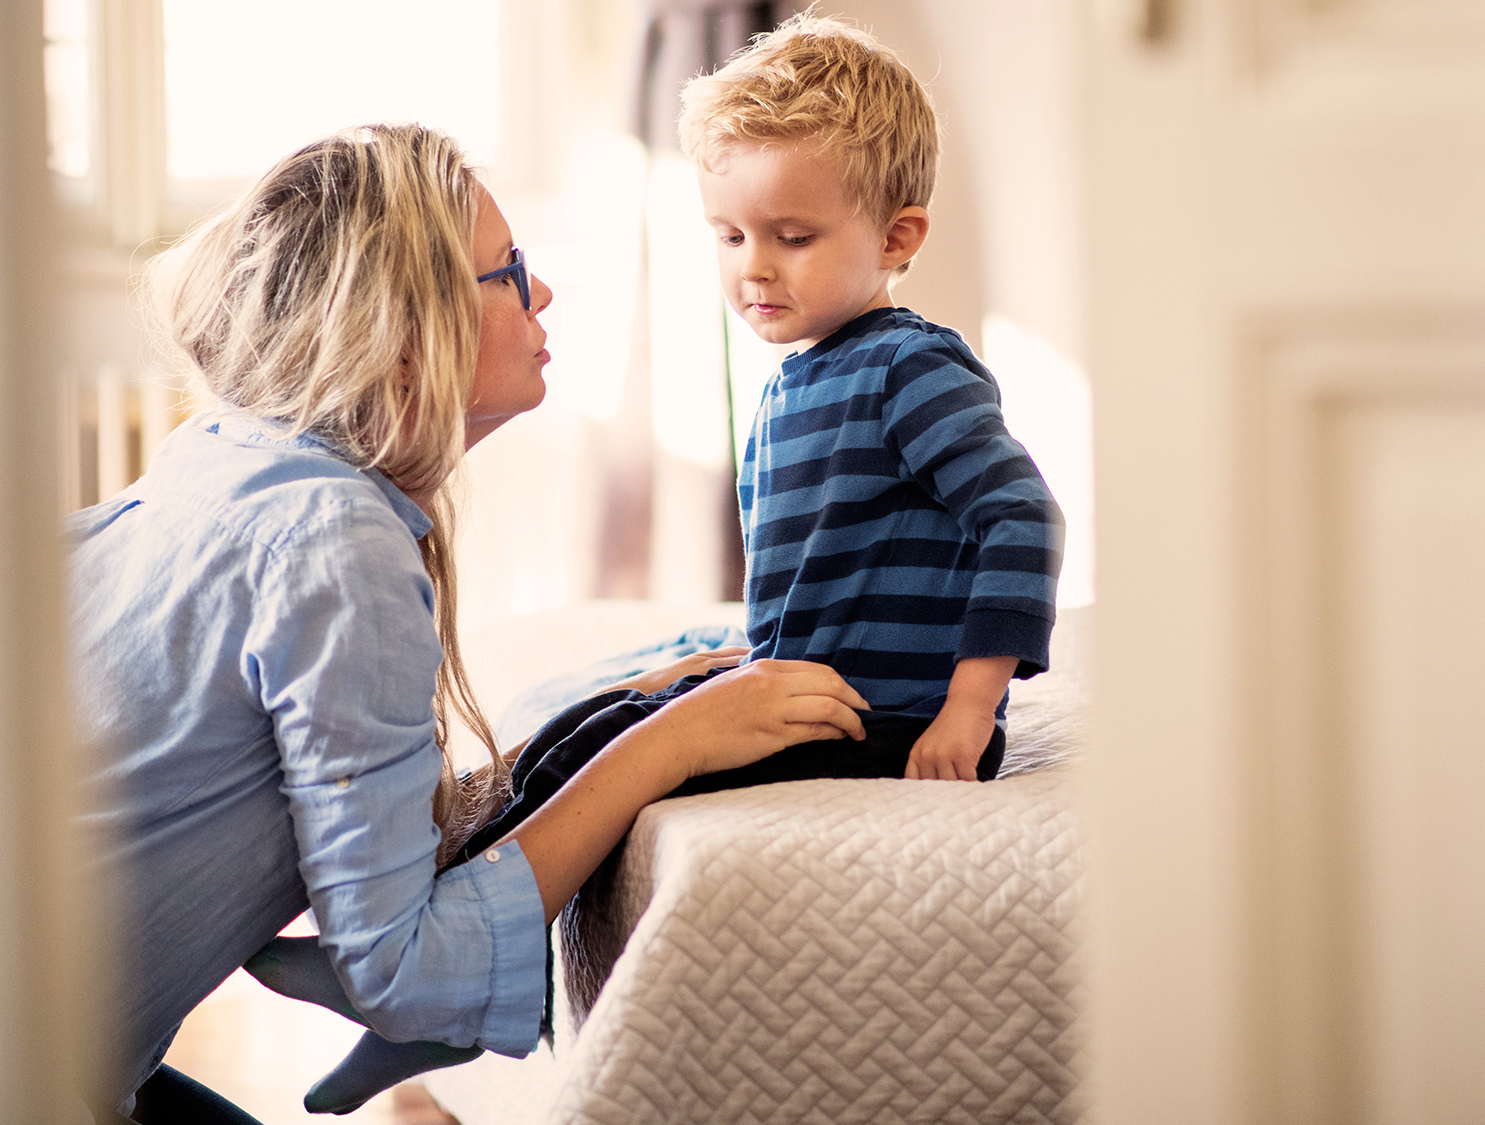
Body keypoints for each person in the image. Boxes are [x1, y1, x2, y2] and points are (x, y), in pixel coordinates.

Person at [273, 11, 1066, 1108]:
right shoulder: (802, 375)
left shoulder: (909, 370)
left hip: (878, 716)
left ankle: (431, 1007)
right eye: (729, 236)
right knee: (585, 722)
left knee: (617, 762)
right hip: (811, 680)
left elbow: (1019, 519)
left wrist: (968, 710)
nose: (753, 270)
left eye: (791, 236)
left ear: (895, 239)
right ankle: (415, 938)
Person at [66, 122, 871, 1125]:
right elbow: (402, 963)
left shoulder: (225, 459)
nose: (540, 294)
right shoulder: (335, 539)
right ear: (404, 337)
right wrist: (672, 746)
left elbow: (362, 821)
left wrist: (610, 716)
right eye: (510, 272)